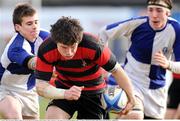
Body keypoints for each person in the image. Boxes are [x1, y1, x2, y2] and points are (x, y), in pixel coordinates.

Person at [35, 16, 135, 119]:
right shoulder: (46, 49)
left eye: (73, 46)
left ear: (79, 40)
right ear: (56, 42)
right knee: (53, 118)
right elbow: (40, 87)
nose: (69, 52)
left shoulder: (94, 45)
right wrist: (65, 93)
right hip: (65, 88)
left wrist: (131, 98)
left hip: (94, 93)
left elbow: (117, 70)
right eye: (64, 47)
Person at [98, 0, 180, 119]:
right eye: (150, 10)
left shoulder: (176, 29)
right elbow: (104, 32)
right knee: (135, 115)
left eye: (159, 10)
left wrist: (168, 64)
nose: (154, 15)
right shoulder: (137, 23)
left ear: (168, 13)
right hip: (132, 80)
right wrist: (104, 63)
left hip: (157, 89)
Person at [0, 3, 49, 119]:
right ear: (18, 27)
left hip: (29, 90)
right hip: (5, 89)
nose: (35, 26)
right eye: (29, 23)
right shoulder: (16, 48)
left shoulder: (45, 37)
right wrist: (53, 67)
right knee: (14, 116)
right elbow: (33, 63)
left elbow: (62, 47)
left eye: (36, 22)